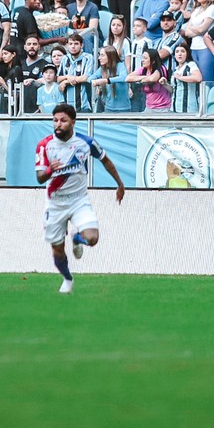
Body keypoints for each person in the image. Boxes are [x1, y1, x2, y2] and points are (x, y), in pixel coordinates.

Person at [35, 103, 124, 294]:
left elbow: (106, 160)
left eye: (63, 120)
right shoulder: (45, 145)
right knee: (57, 251)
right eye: (55, 120)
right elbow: (40, 177)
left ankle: (77, 238)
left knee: (92, 238)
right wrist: (50, 170)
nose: (58, 124)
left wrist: (120, 184)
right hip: (55, 203)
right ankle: (67, 279)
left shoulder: (86, 143)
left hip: (79, 200)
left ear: (73, 122)